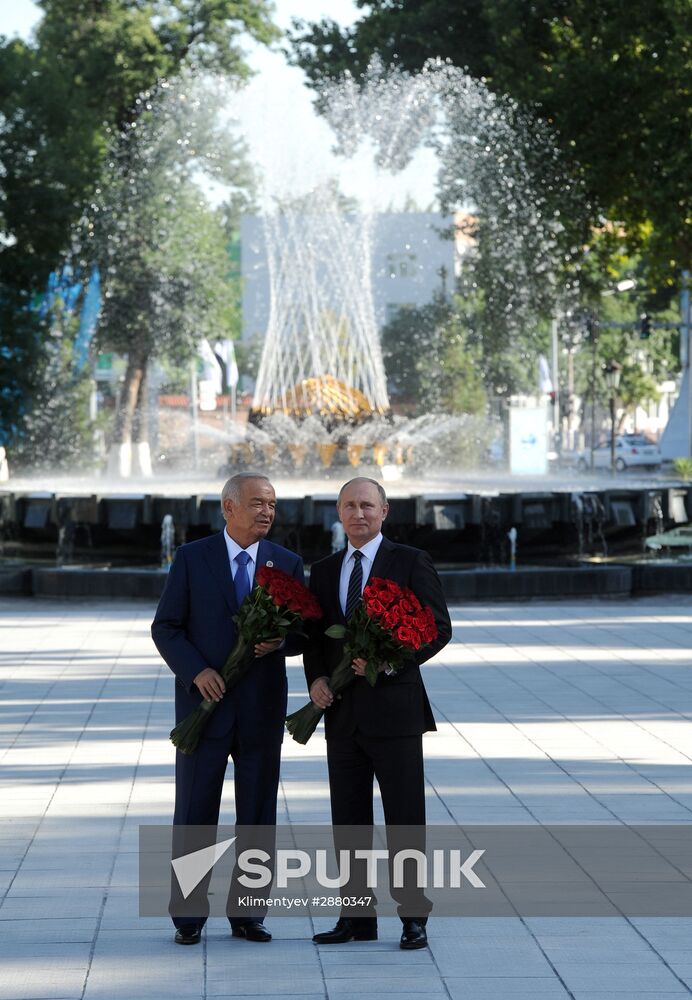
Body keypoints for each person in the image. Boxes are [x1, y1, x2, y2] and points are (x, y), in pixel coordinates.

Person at [151, 472, 304, 946]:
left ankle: (249, 914)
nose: (266, 512)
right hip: (204, 708)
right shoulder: (192, 558)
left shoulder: (287, 563)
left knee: (257, 813)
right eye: (257, 503)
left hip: (261, 710)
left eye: (272, 505)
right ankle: (188, 916)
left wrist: (282, 641)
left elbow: (304, 632)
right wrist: (196, 671)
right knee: (195, 811)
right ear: (229, 507)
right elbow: (166, 627)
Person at [304, 477, 452, 950]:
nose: (359, 513)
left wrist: (389, 662)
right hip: (342, 715)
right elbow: (314, 637)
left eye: (367, 505)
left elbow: (439, 628)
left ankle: (413, 916)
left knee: (404, 818)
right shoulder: (325, 570)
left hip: (395, 714)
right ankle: (356, 917)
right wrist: (317, 679)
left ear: (384, 511)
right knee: (348, 820)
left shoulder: (410, 561)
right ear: (338, 512)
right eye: (349, 505)